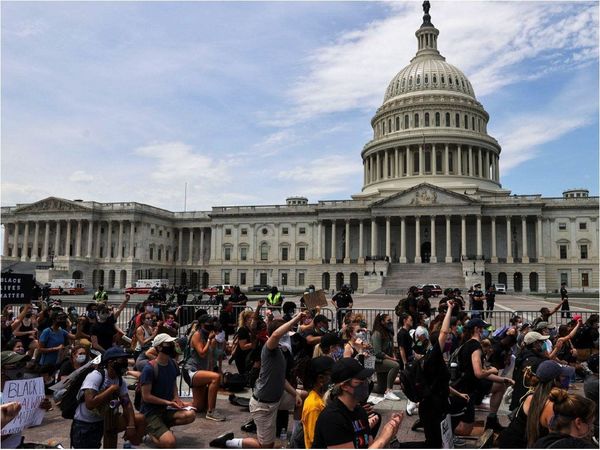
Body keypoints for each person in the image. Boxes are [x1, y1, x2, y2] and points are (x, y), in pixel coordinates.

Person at [210, 311, 305, 449]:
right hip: (263, 405)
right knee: (266, 446)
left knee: (304, 396)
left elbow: (281, 379)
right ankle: (228, 442)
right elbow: (276, 335)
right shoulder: (269, 349)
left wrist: (295, 394)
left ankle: (296, 437)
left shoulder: (282, 352)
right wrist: (296, 319)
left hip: (277, 398)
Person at [312, 357, 403, 448]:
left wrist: (391, 434)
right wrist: (383, 438)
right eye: (360, 380)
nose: (365, 383)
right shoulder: (332, 418)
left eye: (366, 379)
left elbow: (369, 446)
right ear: (345, 386)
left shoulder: (359, 411)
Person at [70, 347, 145, 449]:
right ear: (111, 362)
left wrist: (131, 425)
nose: (124, 363)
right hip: (85, 425)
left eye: (125, 360)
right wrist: (111, 390)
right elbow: (90, 403)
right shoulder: (96, 376)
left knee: (140, 419)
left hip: (104, 420)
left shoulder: (119, 380)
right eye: (121, 360)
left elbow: (126, 403)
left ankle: (131, 446)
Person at [453, 318, 514, 437]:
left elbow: (481, 373)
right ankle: (438, 425)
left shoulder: (468, 343)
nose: (486, 332)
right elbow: (479, 373)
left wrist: (504, 379)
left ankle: (491, 420)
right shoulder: (475, 347)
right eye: (483, 329)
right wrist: (492, 370)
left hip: (476, 385)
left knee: (500, 386)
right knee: (465, 431)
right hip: (467, 389)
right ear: (476, 329)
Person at [498, 360, 573, 448]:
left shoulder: (534, 395)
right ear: (556, 381)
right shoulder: (550, 404)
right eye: (563, 377)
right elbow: (557, 438)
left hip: (511, 442)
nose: (566, 381)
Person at [140, 333, 196, 448]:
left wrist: (176, 398)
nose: (172, 345)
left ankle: (162, 427)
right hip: (151, 412)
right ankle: (150, 431)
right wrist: (167, 402)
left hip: (166, 408)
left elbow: (173, 383)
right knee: (170, 443)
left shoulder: (172, 363)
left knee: (190, 415)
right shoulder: (149, 368)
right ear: (159, 347)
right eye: (168, 343)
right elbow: (146, 396)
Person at [1, 351, 52, 448]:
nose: (20, 368)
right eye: (14, 365)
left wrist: (38, 409)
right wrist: (15, 426)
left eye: (22, 364)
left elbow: (29, 422)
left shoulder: (19, 392)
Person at [184, 315, 227, 421]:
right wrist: (209, 340)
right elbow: (202, 353)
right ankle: (211, 412)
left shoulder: (208, 336)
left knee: (198, 407)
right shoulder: (197, 335)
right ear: (202, 324)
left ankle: (176, 403)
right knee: (215, 377)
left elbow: (210, 358)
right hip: (191, 371)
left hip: (201, 371)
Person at [510, 331, 550, 411]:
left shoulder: (523, 355)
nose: (544, 344)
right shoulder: (534, 361)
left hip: (519, 398)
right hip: (527, 402)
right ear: (535, 344)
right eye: (542, 342)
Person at [301, 356, 334, 449]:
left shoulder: (321, 398)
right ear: (321, 379)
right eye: (332, 375)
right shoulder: (314, 406)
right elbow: (315, 439)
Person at [371, 314, 400, 400]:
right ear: (382, 322)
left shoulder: (388, 333)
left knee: (380, 389)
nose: (390, 322)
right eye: (388, 320)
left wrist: (393, 356)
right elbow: (378, 353)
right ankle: (389, 391)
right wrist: (392, 359)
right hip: (377, 361)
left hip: (384, 360)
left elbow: (391, 348)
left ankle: (367, 386)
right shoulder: (377, 333)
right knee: (395, 365)